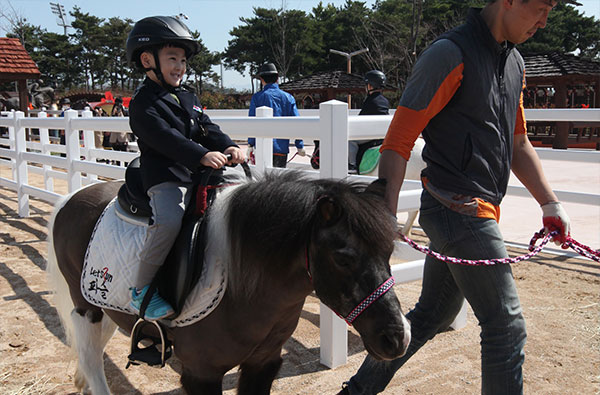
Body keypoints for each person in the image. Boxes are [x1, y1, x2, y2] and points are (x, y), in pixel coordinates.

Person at [339, 1, 573, 394]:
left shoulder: (513, 62)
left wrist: (550, 203)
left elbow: (518, 143)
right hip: (458, 210)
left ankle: (356, 391)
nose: (545, 20)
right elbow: (397, 143)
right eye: (540, 6)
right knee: (506, 327)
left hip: (475, 209)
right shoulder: (449, 55)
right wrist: (385, 217)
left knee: (432, 314)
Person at [126, 15, 244, 321]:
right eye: (172, 58)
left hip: (197, 170)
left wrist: (228, 144)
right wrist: (202, 155)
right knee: (168, 219)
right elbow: (166, 139)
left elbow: (206, 125)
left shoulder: (187, 95)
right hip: (167, 175)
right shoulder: (142, 104)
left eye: (183, 60)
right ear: (148, 59)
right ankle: (140, 290)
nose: (180, 66)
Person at [247, 63, 305, 168]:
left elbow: (253, 122)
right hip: (281, 148)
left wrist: (251, 144)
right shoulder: (288, 98)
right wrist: (299, 145)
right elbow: (297, 123)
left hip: (262, 147)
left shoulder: (257, 98)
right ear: (277, 78)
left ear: (261, 79)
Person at [348, 70, 390, 173]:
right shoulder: (384, 100)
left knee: (350, 140)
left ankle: (351, 165)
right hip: (383, 133)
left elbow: (361, 118)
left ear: (370, 86)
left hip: (372, 134)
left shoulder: (370, 100)